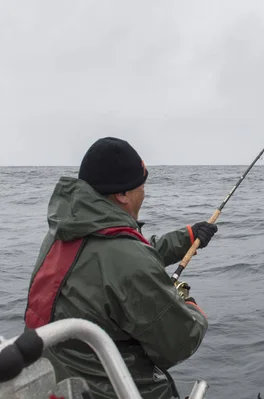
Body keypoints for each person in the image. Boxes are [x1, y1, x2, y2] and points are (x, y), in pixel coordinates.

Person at [23, 137, 218, 399]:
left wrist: (186, 237)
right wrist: (190, 306)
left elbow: (116, 265)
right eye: (141, 185)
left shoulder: (62, 235)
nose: (144, 192)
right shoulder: (127, 259)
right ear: (123, 194)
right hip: (114, 390)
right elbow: (180, 343)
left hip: (57, 382)